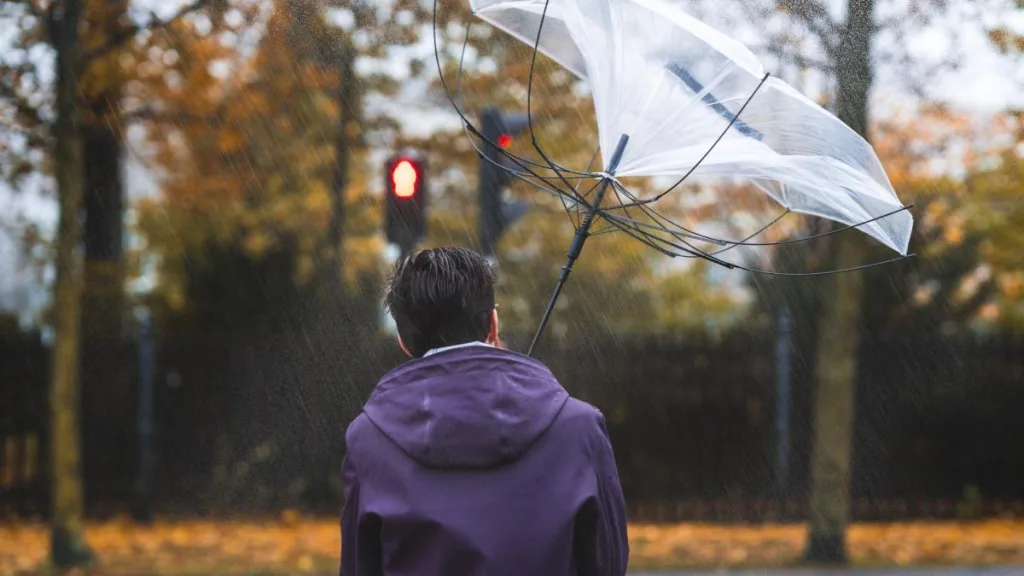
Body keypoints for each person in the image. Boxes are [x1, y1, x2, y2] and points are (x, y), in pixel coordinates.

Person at [340, 247, 629, 576]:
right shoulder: (579, 426)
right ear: (493, 322)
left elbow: (359, 565)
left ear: (404, 342)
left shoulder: (368, 439)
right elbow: (607, 561)